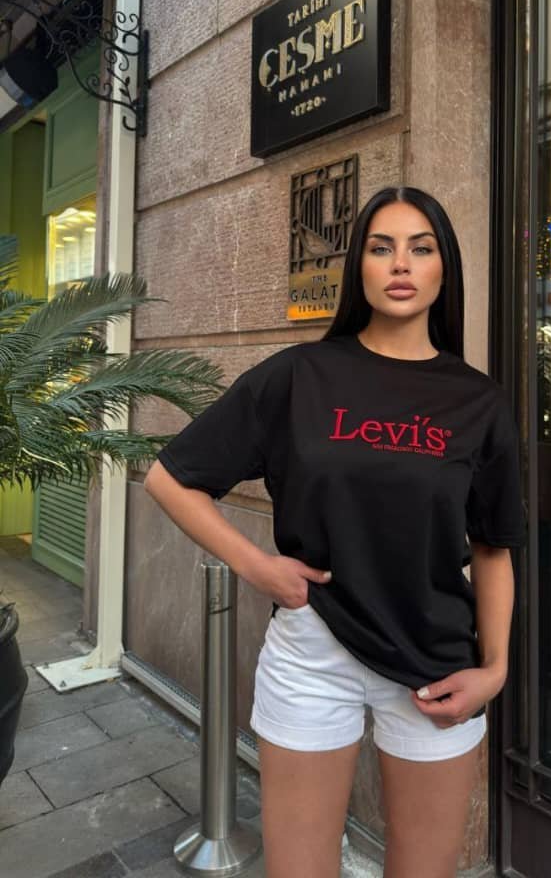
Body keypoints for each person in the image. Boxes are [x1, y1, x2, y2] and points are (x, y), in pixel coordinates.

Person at [144, 185, 526, 878]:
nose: (401, 264)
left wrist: (494, 670)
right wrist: (257, 566)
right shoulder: (301, 376)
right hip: (313, 653)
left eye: (421, 248)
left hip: (436, 661)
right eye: (381, 248)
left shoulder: (479, 402)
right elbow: (171, 478)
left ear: (445, 268)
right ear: (360, 269)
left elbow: (493, 547)